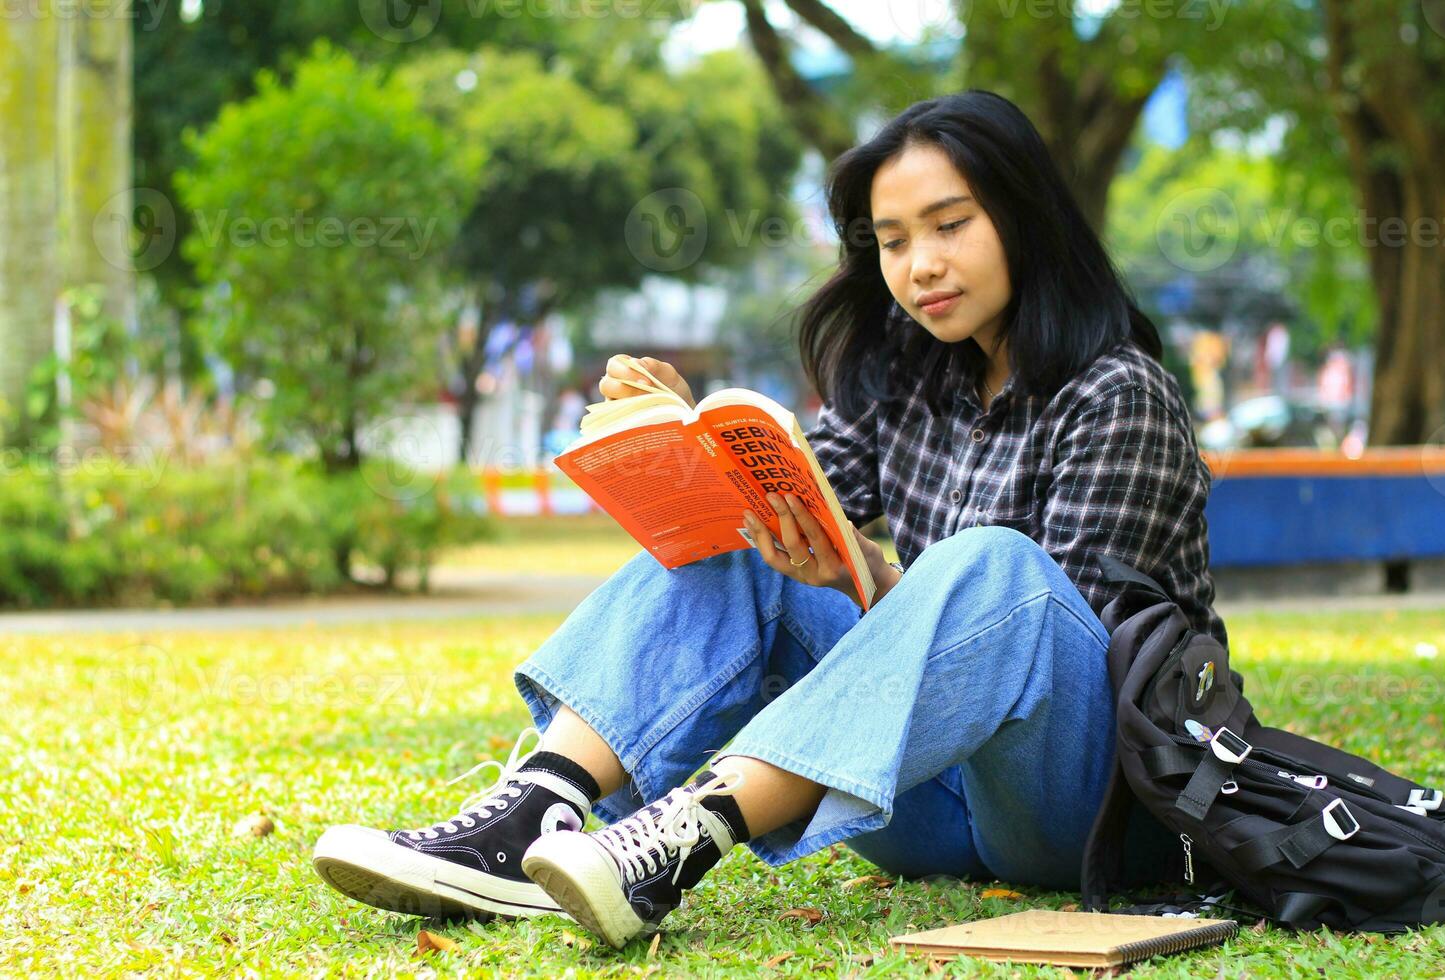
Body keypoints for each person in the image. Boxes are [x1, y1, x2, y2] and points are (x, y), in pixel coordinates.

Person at [311, 89, 1229, 949]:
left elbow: (1065, 646)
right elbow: (789, 504)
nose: (921, 266)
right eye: (894, 241)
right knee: (741, 538)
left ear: (1026, 219)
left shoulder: (1120, 394)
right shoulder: (911, 379)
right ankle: (534, 811)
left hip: (1085, 805)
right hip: (921, 808)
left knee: (995, 566)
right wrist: (685, 436)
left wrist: (870, 576)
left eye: (952, 226)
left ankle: (680, 837)